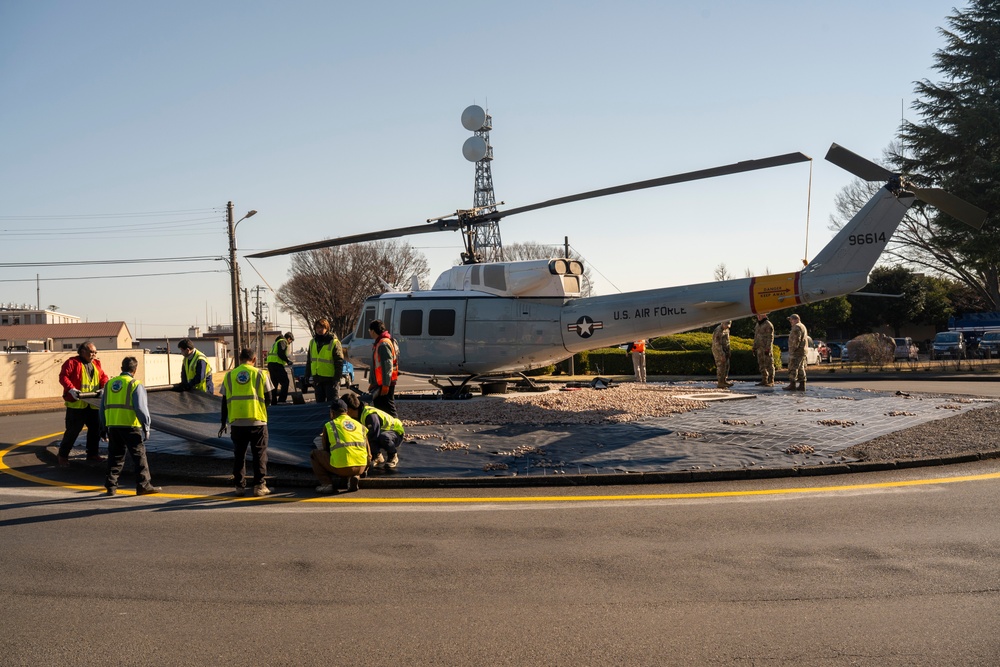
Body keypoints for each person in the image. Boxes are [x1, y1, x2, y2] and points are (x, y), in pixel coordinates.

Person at [100, 356, 162, 496]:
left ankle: (111, 486)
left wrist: (103, 427)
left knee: (115, 456)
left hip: (113, 426)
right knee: (139, 457)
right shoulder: (135, 384)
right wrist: (146, 426)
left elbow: (102, 408)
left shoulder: (109, 384)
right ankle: (143, 485)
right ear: (135, 370)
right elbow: (141, 408)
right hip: (130, 426)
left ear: (121, 368)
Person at [219, 348, 273, 496]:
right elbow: (270, 397)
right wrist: (261, 408)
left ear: (239, 358)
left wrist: (223, 422)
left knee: (239, 455)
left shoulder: (229, 375)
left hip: (237, 422)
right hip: (257, 421)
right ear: (254, 359)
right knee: (259, 454)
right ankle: (259, 486)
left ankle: (239, 486)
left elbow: (224, 401)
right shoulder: (261, 374)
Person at [56, 341, 109, 466]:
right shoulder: (72, 362)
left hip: (93, 404)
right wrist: (71, 389)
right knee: (73, 431)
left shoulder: (96, 364)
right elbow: (63, 377)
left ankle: (92, 454)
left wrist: (103, 387)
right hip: (77, 405)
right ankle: (63, 456)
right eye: (91, 352)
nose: (94, 354)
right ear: (82, 351)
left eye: (95, 352)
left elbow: (103, 377)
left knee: (95, 430)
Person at [310, 398, 371, 493]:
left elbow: (326, 449)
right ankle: (354, 476)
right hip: (361, 467)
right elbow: (369, 454)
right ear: (347, 412)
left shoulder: (330, 425)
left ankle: (326, 484)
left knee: (314, 454)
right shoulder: (359, 425)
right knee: (353, 460)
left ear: (332, 412)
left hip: (342, 468)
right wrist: (365, 468)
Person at [344, 392, 403, 469]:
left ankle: (392, 455)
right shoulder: (358, 414)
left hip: (395, 433)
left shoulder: (370, 416)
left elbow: (374, 436)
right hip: (382, 432)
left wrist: (373, 454)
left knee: (382, 437)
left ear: (349, 410)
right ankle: (378, 455)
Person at [306, 319, 344, 403]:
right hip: (318, 379)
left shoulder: (334, 342)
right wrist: (307, 375)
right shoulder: (312, 342)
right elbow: (309, 361)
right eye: (317, 327)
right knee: (320, 405)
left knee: (333, 404)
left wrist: (337, 378)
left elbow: (339, 361)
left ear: (327, 328)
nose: (319, 330)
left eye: (322, 327)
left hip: (330, 379)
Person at [368, 319, 399, 416]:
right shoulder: (382, 342)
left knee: (388, 409)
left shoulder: (383, 344)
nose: (369, 333)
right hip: (380, 383)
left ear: (373, 331)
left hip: (384, 384)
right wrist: (373, 382)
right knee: (381, 410)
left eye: (369, 330)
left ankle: (395, 425)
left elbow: (387, 366)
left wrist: (386, 385)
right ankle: (386, 425)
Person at [265, 332, 295, 405]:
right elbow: (280, 353)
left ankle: (273, 401)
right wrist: (288, 361)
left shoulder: (276, 342)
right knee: (285, 382)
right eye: (290, 341)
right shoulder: (283, 341)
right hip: (277, 364)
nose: (290, 343)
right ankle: (281, 400)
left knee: (274, 383)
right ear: (289, 339)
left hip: (271, 364)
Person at [785, 313, 809, 391]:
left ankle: (792, 384)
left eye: (792, 319)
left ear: (797, 319)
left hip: (797, 351)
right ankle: (802, 385)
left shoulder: (796, 327)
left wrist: (792, 350)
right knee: (800, 368)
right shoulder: (802, 326)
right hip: (802, 351)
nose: (790, 321)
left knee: (793, 367)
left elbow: (796, 340)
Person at [752, 313, 776, 387]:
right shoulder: (758, 324)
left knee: (769, 364)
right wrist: (754, 347)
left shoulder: (768, 324)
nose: (758, 316)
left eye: (760, 315)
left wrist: (768, 348)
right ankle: (764, 379)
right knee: (761, 364)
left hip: (766, 348)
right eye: (757, 315)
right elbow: (756, 336)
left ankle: (771, 380)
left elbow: (770, 337)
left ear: (764, 315)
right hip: (759, 348)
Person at [711, 321, 734, 388]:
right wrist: (721, 354)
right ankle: (720, 382)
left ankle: (724, 380)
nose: (727, 327)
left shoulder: (726, 330)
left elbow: (727, 341)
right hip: (718, 351)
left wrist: (728, 351)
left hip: (725, 350)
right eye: (726, 325)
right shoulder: (718, 331)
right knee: (721, 365)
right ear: (722, 323)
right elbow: (717, 344)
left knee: (726, 365)